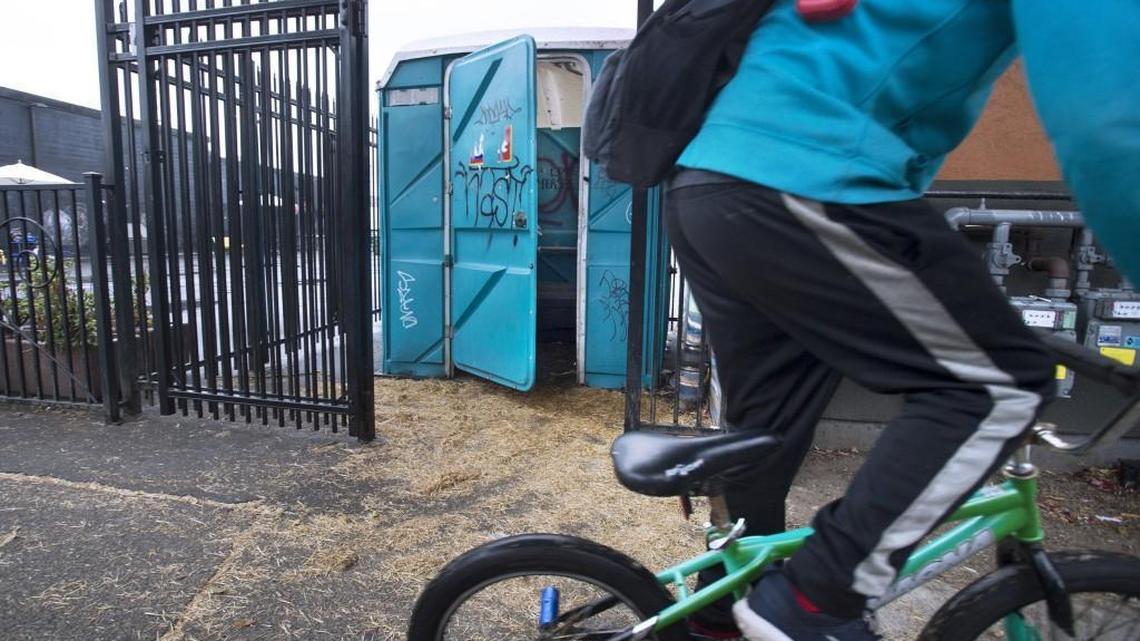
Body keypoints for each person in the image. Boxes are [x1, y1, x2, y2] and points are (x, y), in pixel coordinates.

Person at [666, 2, 1140, 640]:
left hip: (714, 183)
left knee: (765, 433)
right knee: (996, 384)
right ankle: (811, 602)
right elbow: (1111, 125)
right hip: (812, 170)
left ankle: (715, 624)